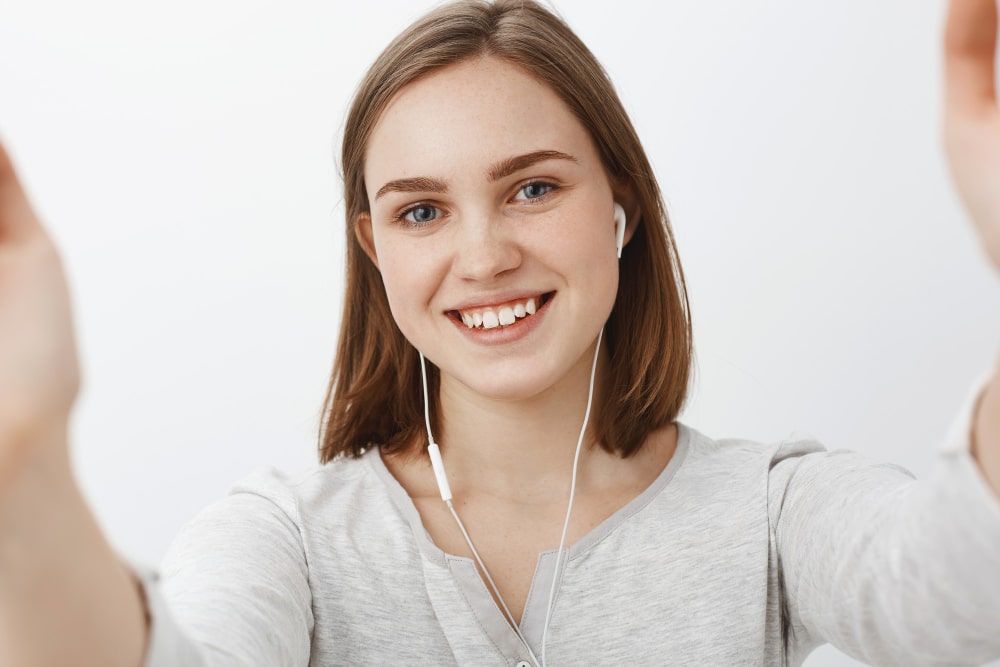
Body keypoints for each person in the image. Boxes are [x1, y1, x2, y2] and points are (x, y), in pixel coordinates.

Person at [1, 0, 999, 665]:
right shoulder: (289, 538)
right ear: (374, 247)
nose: (482, 258)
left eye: (531, 187)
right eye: (421, 211)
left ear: (623, 205)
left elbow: (958, 602)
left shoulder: (774, 510)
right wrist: (25, 463)